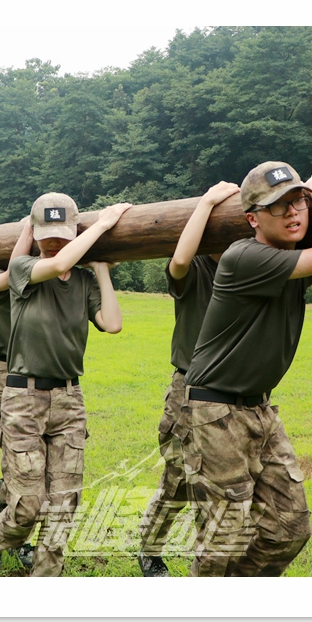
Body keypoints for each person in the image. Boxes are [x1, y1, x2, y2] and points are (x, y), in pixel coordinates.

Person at [181, 157, 312, 576]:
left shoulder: (291, 260)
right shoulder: (244, 257)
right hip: (216, 411)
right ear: (252, 219)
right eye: (278, 206)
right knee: (222, 539)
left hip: (260, 410)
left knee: (290, 528)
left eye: (299, 201)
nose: (292, 212)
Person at [0, 194, 131, 577]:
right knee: (29, 503)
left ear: (73, 230)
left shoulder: (81, 281)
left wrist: (101, 270)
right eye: (45, 233)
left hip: (68, 398)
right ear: (33, 233)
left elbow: (112, 323)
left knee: (64, 503)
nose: (55, 242)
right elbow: (58, 261)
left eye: (62, 234)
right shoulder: (23, 269)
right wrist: (103, 224)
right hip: (23, 397)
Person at [136, 180, 240, 577]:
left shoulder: (254, 264)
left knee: (220, 487)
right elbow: (178, 261)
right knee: (180, 479)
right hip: (190, 388)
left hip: (236, 395)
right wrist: (207, 201)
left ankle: (211, 562)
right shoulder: (194, 267)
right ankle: (150, 545)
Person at [0, 217, 37, 569]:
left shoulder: (47, 276)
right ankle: (18, 540)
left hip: (47, 377)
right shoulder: (0, 279)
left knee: (38, 473)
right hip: (8, 373)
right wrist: (26, 228)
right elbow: (17, 267)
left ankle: (3, 495)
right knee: (18, 462)